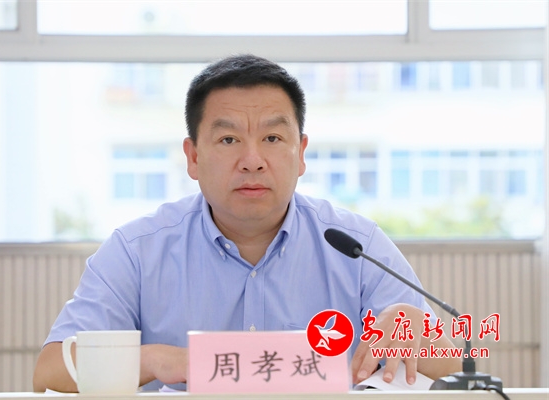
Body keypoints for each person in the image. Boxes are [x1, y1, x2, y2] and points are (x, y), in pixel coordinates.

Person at [33, 54, 460, 393]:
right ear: (193, 157)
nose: (252, 160)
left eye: (272, 138)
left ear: (301, 153)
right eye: (229, 139)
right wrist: (156, 360)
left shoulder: (356, 246)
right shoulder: (137, 251)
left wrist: (416, 328)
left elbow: (455, 368)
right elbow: (51, 372)